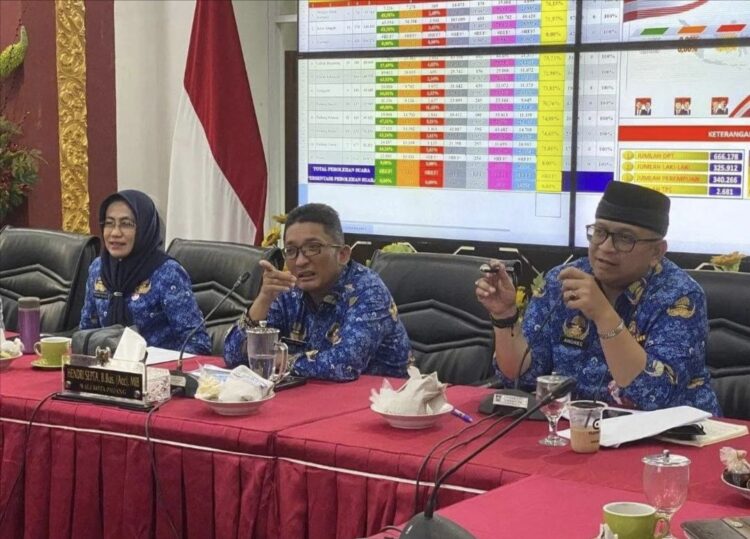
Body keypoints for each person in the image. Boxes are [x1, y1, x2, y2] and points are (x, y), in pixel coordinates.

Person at [475, 182, 720, 415]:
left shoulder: (679, 296)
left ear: (656, 252)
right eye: (599, 232)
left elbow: (653, 395)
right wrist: (504, 316)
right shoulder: (561, 281)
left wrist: (603, 314)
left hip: (671, 436)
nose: (605, 247)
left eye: (625, 238)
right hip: (576, 426)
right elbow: (522, 375)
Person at [224, 203, 411, 381]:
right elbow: (233, 354)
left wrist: (279, 360)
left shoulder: (368, 291)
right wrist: (263, 300)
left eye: (313, 248)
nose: (300, 261)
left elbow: (344, 365)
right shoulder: (288, 290)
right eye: (291, 250)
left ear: (342, 255)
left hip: (377, 398)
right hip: (309, 394)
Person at [80, 190, 211, 354]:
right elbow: (86, 331)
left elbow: (198, 344)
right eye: (109, 223)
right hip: (107, 366)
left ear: (144, 228)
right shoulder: (98, 269)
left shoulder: (167, 273)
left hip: (157, 367)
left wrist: (156, 363)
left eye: (126, 224)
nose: (115, 233)